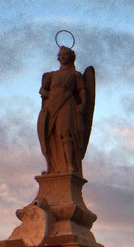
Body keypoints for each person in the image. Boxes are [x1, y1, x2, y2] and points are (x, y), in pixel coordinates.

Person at [37, 46, 94, 175]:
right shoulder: (51, 75)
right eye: (60, 54)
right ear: (58, 57)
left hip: (67, 104)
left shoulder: (76, 75)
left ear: (71, 56)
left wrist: (83, 104)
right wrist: (45, 93)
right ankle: (52, 167)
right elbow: (42, 90)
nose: (62, 56)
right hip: (51, 105)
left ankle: (69, 166)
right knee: (50, 135)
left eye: (65, 54)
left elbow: (82, 90)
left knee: (65, 132)